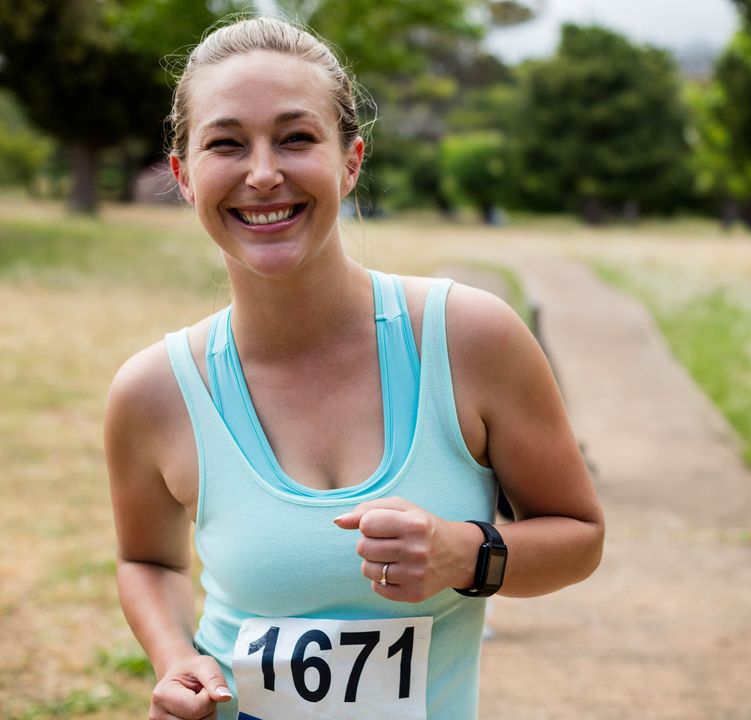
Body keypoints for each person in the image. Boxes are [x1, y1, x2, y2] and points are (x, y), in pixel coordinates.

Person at [104, 16, 603, 720]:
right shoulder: (152, 392)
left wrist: (466, 555)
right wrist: (175, 658)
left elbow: (580, 536)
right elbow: (147, 563)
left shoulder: (470, 339)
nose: (264, 173)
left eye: (297, 137)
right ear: (185, 177)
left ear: (351, 160)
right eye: (226, 144)